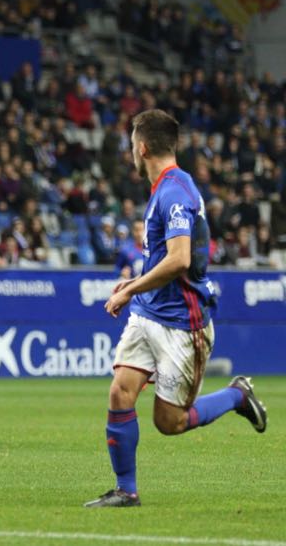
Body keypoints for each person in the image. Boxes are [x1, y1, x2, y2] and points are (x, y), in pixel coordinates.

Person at [86, 110, 267, 508]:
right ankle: (125, 490)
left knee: (169, 423)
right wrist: (136, 283)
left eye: (132, 144)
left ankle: (237, 395)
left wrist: (129, 288)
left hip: (183, 324)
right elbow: (163, 258)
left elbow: (180, 258)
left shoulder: (174, 192)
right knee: (120, 393)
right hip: (150, 312)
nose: (130, 151)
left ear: (143, 147)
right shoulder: (164, 189)